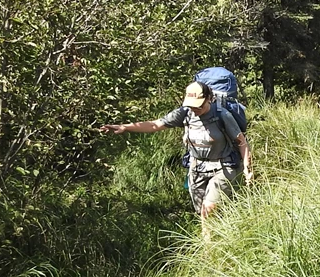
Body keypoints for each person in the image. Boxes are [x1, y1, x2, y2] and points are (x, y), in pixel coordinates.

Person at [100, 82, 252, 218]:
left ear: (209, 99)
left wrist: (247, 167)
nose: (195, 109)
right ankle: (212, 243)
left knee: (209, 210)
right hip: (197, 168)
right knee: (202, 212)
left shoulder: (222, 115)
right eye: (192, 105)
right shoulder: (185, 113)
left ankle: (209, 248)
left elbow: (241, 142)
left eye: (199, 105)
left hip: (222, 167)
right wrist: (125, 127)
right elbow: (155, 125)